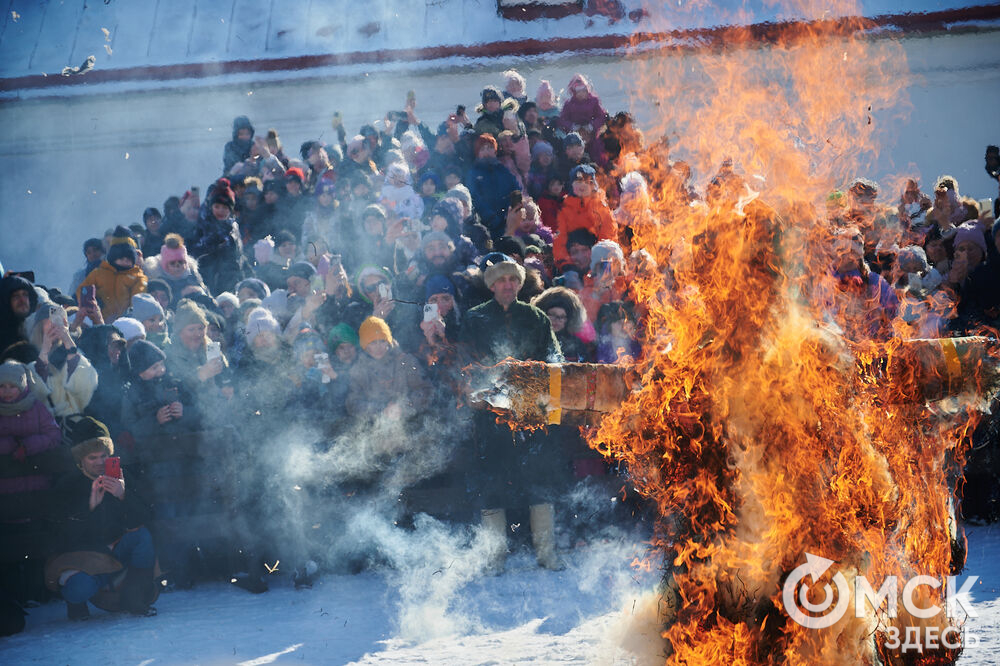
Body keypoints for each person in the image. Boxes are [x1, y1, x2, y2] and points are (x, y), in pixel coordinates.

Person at [458, 253, 563, 572]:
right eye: (502, 280)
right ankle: (494, 557)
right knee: (492, 481)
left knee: (539, 478)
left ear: (520, 283)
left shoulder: (536, 317)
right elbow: (465, 361)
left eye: (514, 279)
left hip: (530, 407)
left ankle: (547, 553)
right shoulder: (475, 318)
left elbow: (555, 356)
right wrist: (473, 390)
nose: (508, 285)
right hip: (490, 411)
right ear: (491, 285)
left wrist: (548, 387)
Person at [46, 416, 157, 619]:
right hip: (83, 557)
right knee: (78, 588)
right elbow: (61, 538)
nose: (99, 462)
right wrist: (89, 507)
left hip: (116, 549)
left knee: (143, 537)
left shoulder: (120, 476)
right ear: (81, 459)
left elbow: (145, 517)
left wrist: (123, 496)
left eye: (104, 456)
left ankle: (135, 597)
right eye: (92, 458)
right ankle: (77, 604)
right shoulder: (68, 485)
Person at [25, 304, 98, 420]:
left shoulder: (72, 352)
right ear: (40, 326)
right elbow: (33, 391)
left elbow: (86, 389)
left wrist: (69, 343)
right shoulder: (27, 352)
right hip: (40, 424)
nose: (54, 326)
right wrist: (44, 351)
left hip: (71, 425)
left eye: (58, 321)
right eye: (48, 322)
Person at [553, 165, 617, 273]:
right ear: (572, 184)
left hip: (597, 263)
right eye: (578, 181)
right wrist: (566, 264)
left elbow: (608, 238)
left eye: (588, 182)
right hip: (572, 261)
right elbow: (559, 240)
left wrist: (599, 261)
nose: (583, 185)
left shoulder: (602, 208)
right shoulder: (564, 209)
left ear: (593, 185)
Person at [76, 227, 148, 321]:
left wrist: (130, 313)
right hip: (99, 320)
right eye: (121, 258)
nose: (125, 261)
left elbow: (138, 298)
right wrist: (91, 303)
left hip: (125, 322)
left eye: (128, 259)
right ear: (113, 257)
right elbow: (82, 290)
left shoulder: (138, 277)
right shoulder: (99, 273)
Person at [466, 134, 521, 240]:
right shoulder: (473, 173)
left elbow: (516, 190)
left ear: (495, 151)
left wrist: (509, 212)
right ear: (478, 153)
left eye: (490, 148)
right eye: (483, 149)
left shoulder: (503, 170)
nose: (487, 151)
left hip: (506, 221)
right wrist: (489, 216)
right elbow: (474, 196)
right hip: (485, 223)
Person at [0, 275, 38, 359]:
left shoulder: (35, 327)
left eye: (25, 294)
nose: (22, 300)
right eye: (15, 296)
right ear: (5, 301)